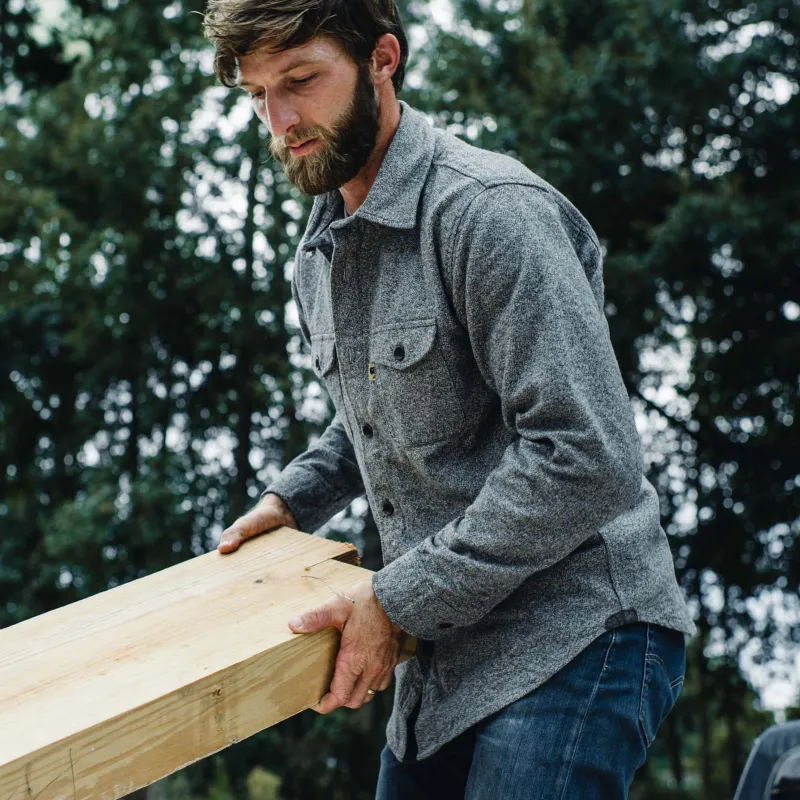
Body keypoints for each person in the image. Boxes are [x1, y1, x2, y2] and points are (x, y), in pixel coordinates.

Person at [202, 1, 697, 797]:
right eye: (258, 94)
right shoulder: (318, 259)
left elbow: (587, 454)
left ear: (383, 61)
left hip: (575, 631)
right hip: (442, 654)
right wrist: (291, 500)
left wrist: (394, 600)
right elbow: (380, 410)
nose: (280, 120)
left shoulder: (492, 212)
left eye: (300, 81)